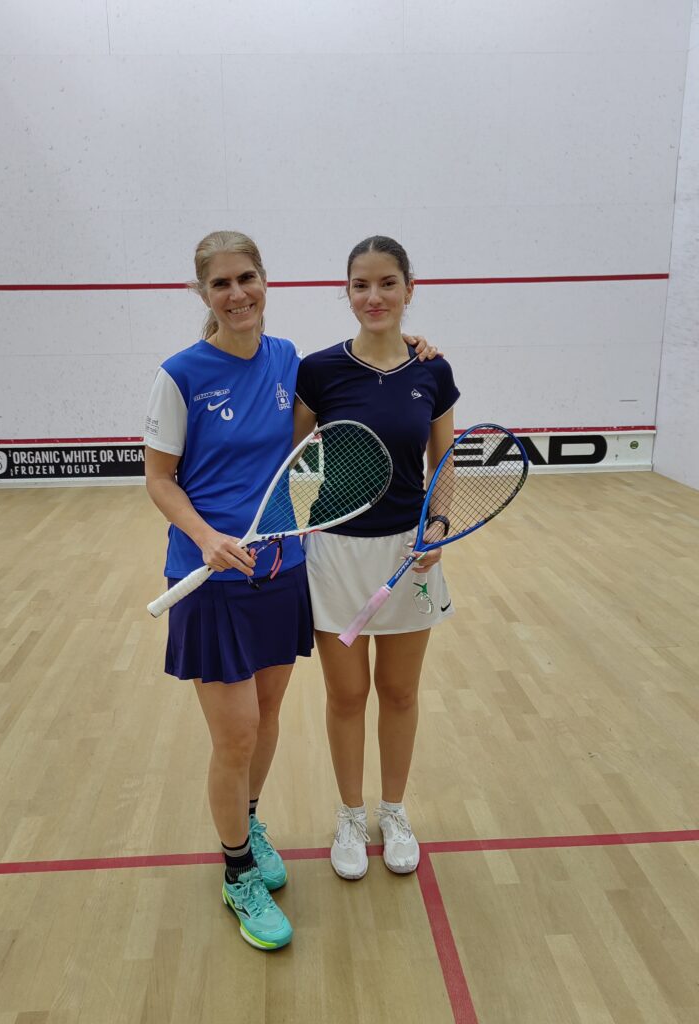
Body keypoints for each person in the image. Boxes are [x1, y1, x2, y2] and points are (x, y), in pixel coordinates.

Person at [144, 230, 439, 949]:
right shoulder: (180, 374)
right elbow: (158, 477)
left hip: (280, 572)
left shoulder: (287, 362)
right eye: (221, 283)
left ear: (265, 281)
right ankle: (237, 871)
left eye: (246, 278)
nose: (237, 294)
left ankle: (247, 826)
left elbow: (362, 379)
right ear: (202, 293)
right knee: (237, 733)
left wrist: (413, 345)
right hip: (213, 578)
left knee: (269, 714)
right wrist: (205, 537)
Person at [294, 235, 460, 880]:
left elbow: (441, 463)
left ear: (410, 289)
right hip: (334, 554)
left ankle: (393, 811)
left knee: (399, 691)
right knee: (346, 694)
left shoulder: (433, 372)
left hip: (409, 553)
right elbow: (291, 460)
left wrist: (438, 524)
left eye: (387, 283)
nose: (374, 296)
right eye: (361, 285)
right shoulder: (319, 371)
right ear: (346, 292)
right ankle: (349, 815)